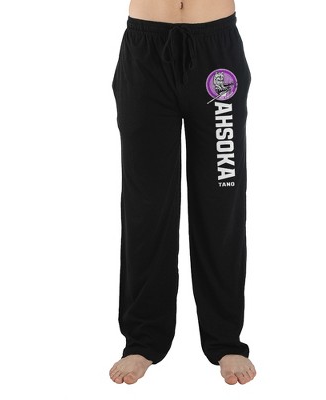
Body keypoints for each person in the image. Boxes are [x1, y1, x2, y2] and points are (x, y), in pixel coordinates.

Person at [109, 0, 256, 385]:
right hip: (145, 49)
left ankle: (225, 339)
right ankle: (143, 339)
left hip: (216, 50)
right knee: (145, 204)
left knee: (221, 200)